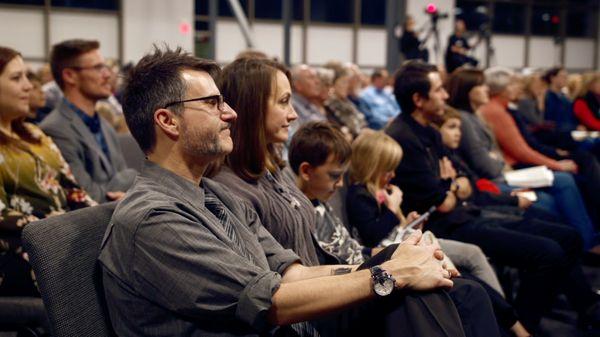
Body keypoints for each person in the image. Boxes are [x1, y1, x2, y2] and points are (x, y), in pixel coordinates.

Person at [99, 46, 497, 337]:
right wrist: (390, 273)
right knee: (407, 290)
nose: (230, 113)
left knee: (439, 289)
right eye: (213, 103)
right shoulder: (154, 219)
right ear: (168, 121)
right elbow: (269, 302)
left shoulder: (214, 198)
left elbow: (294, 274)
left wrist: (396, 262)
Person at [211, 56, 501, 336]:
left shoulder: (276, 171)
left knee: (460, 285)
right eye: (284, 102)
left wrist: (393, 261)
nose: (294, 113)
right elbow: (280, 285)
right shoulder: (231, 188)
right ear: (252, 109)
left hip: (330, 282)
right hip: (315, 306)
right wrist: (385, 269)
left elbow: (317, 255)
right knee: (461, 293)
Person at [385, 60, 600, 333]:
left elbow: (466, 182)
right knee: (548, 253)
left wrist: (451, 184)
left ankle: (587, 309)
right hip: (447, 226)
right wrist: (452, 184)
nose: (446, 95)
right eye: (439, 90)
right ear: (418, 98)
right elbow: (444, 201)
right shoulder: (403, 138)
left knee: (567, 236)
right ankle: (523, 325)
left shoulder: (428, 130)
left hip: (467, 211)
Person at [290, 121, 533, 337]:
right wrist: (394, 218)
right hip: (360, 279)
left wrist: (403, 234)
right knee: (466, 287)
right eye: (334, 175)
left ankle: (513, 324)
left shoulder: (322, 202)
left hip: (369, 263)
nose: (340, 183)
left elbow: (355, 247)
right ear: (306, 171)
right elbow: (355, 247)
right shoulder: (321, 206)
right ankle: (515, 327)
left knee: (463, 279)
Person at [0, 46, 96, 297]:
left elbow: (74, 191)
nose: (28, 86)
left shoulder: (35, 134)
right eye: (15, 78)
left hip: (60, 237)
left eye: (26, 76)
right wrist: (58, 230)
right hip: (20, 248)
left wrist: (103, 218)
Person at [479, 67, 600, 250]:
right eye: (513, 84)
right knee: (566, 178)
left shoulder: (502, 108)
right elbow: (522, 151)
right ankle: (585, 241)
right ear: (501, 88)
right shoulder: (495, 110)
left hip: (513, 166)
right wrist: (556, 164)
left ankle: (584, 238)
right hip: (512, 168)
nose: (518, 87)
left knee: (577, 169)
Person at [40, 39, 137, 203]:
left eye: (105, 67)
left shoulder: (106, 127)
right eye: (98, 68)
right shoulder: (55, 130)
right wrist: (128, 199)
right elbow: (88, 197)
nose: (108, 75)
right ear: (70, 76)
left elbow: (129, 181)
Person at [323, 67, 366, 139]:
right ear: (333, 84)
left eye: (348, 83)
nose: (347, 86)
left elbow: (361, 122)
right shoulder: (329, 104)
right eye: (343, 82)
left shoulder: (348, 102)